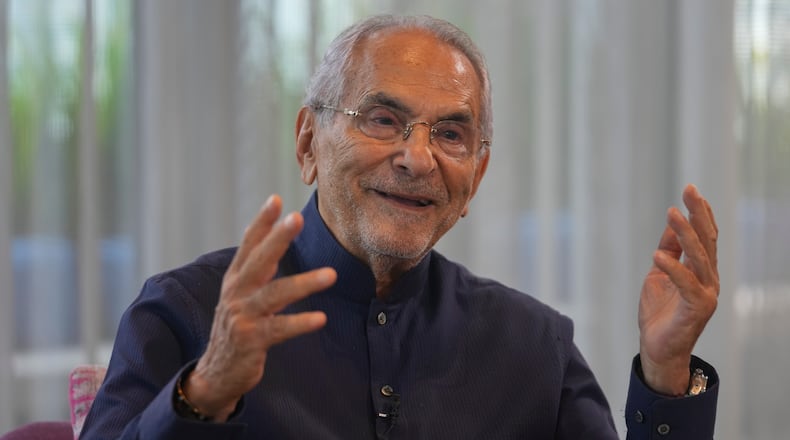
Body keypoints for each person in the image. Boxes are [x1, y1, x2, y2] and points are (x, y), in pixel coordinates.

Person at [80, 14, 720, 439]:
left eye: (451, 133)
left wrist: (666, 371)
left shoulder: (534, 344)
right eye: (383, 120)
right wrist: (205, 392)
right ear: (308, 142)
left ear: (476, 176)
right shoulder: (186, 312)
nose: (418, 158)